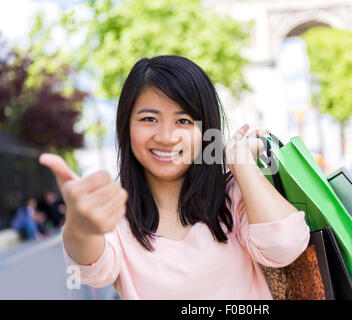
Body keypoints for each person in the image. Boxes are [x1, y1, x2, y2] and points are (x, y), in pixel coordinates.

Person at [39, 55, 310, 300]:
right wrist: (80, 224)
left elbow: (285, 246)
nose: (166, 137)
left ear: (206, 130)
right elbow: (91, 272)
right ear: (126, 126)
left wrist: (240, 159)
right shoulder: (116, 213)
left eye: (183, 121)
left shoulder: (235, 195)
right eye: (149, 119)